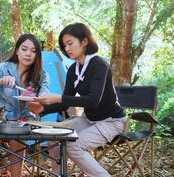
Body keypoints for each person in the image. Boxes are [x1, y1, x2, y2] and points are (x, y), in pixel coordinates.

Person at [29, 23, 126, 177]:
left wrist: (58, 97)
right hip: (88, 119)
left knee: (75, 146)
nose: (67, 49)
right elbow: (67, 101)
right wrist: (43, 108)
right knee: (53, 137)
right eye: (64, 45)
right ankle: (58, 174)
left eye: (70, 43)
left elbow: (93, 101)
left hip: (111, 121)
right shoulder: (74, 69)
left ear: (85, 41)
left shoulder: (99, 65)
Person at [0, 33, 50, 176]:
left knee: (18, 132)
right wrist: (1, 81)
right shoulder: (5, 67)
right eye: (24, 49)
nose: (28, 54)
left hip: (23, 118)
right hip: (0, 115)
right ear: (17, 51)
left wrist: (38, 99)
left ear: (37, 55)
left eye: (33, 51)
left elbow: (45, 94)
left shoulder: (41, 74)